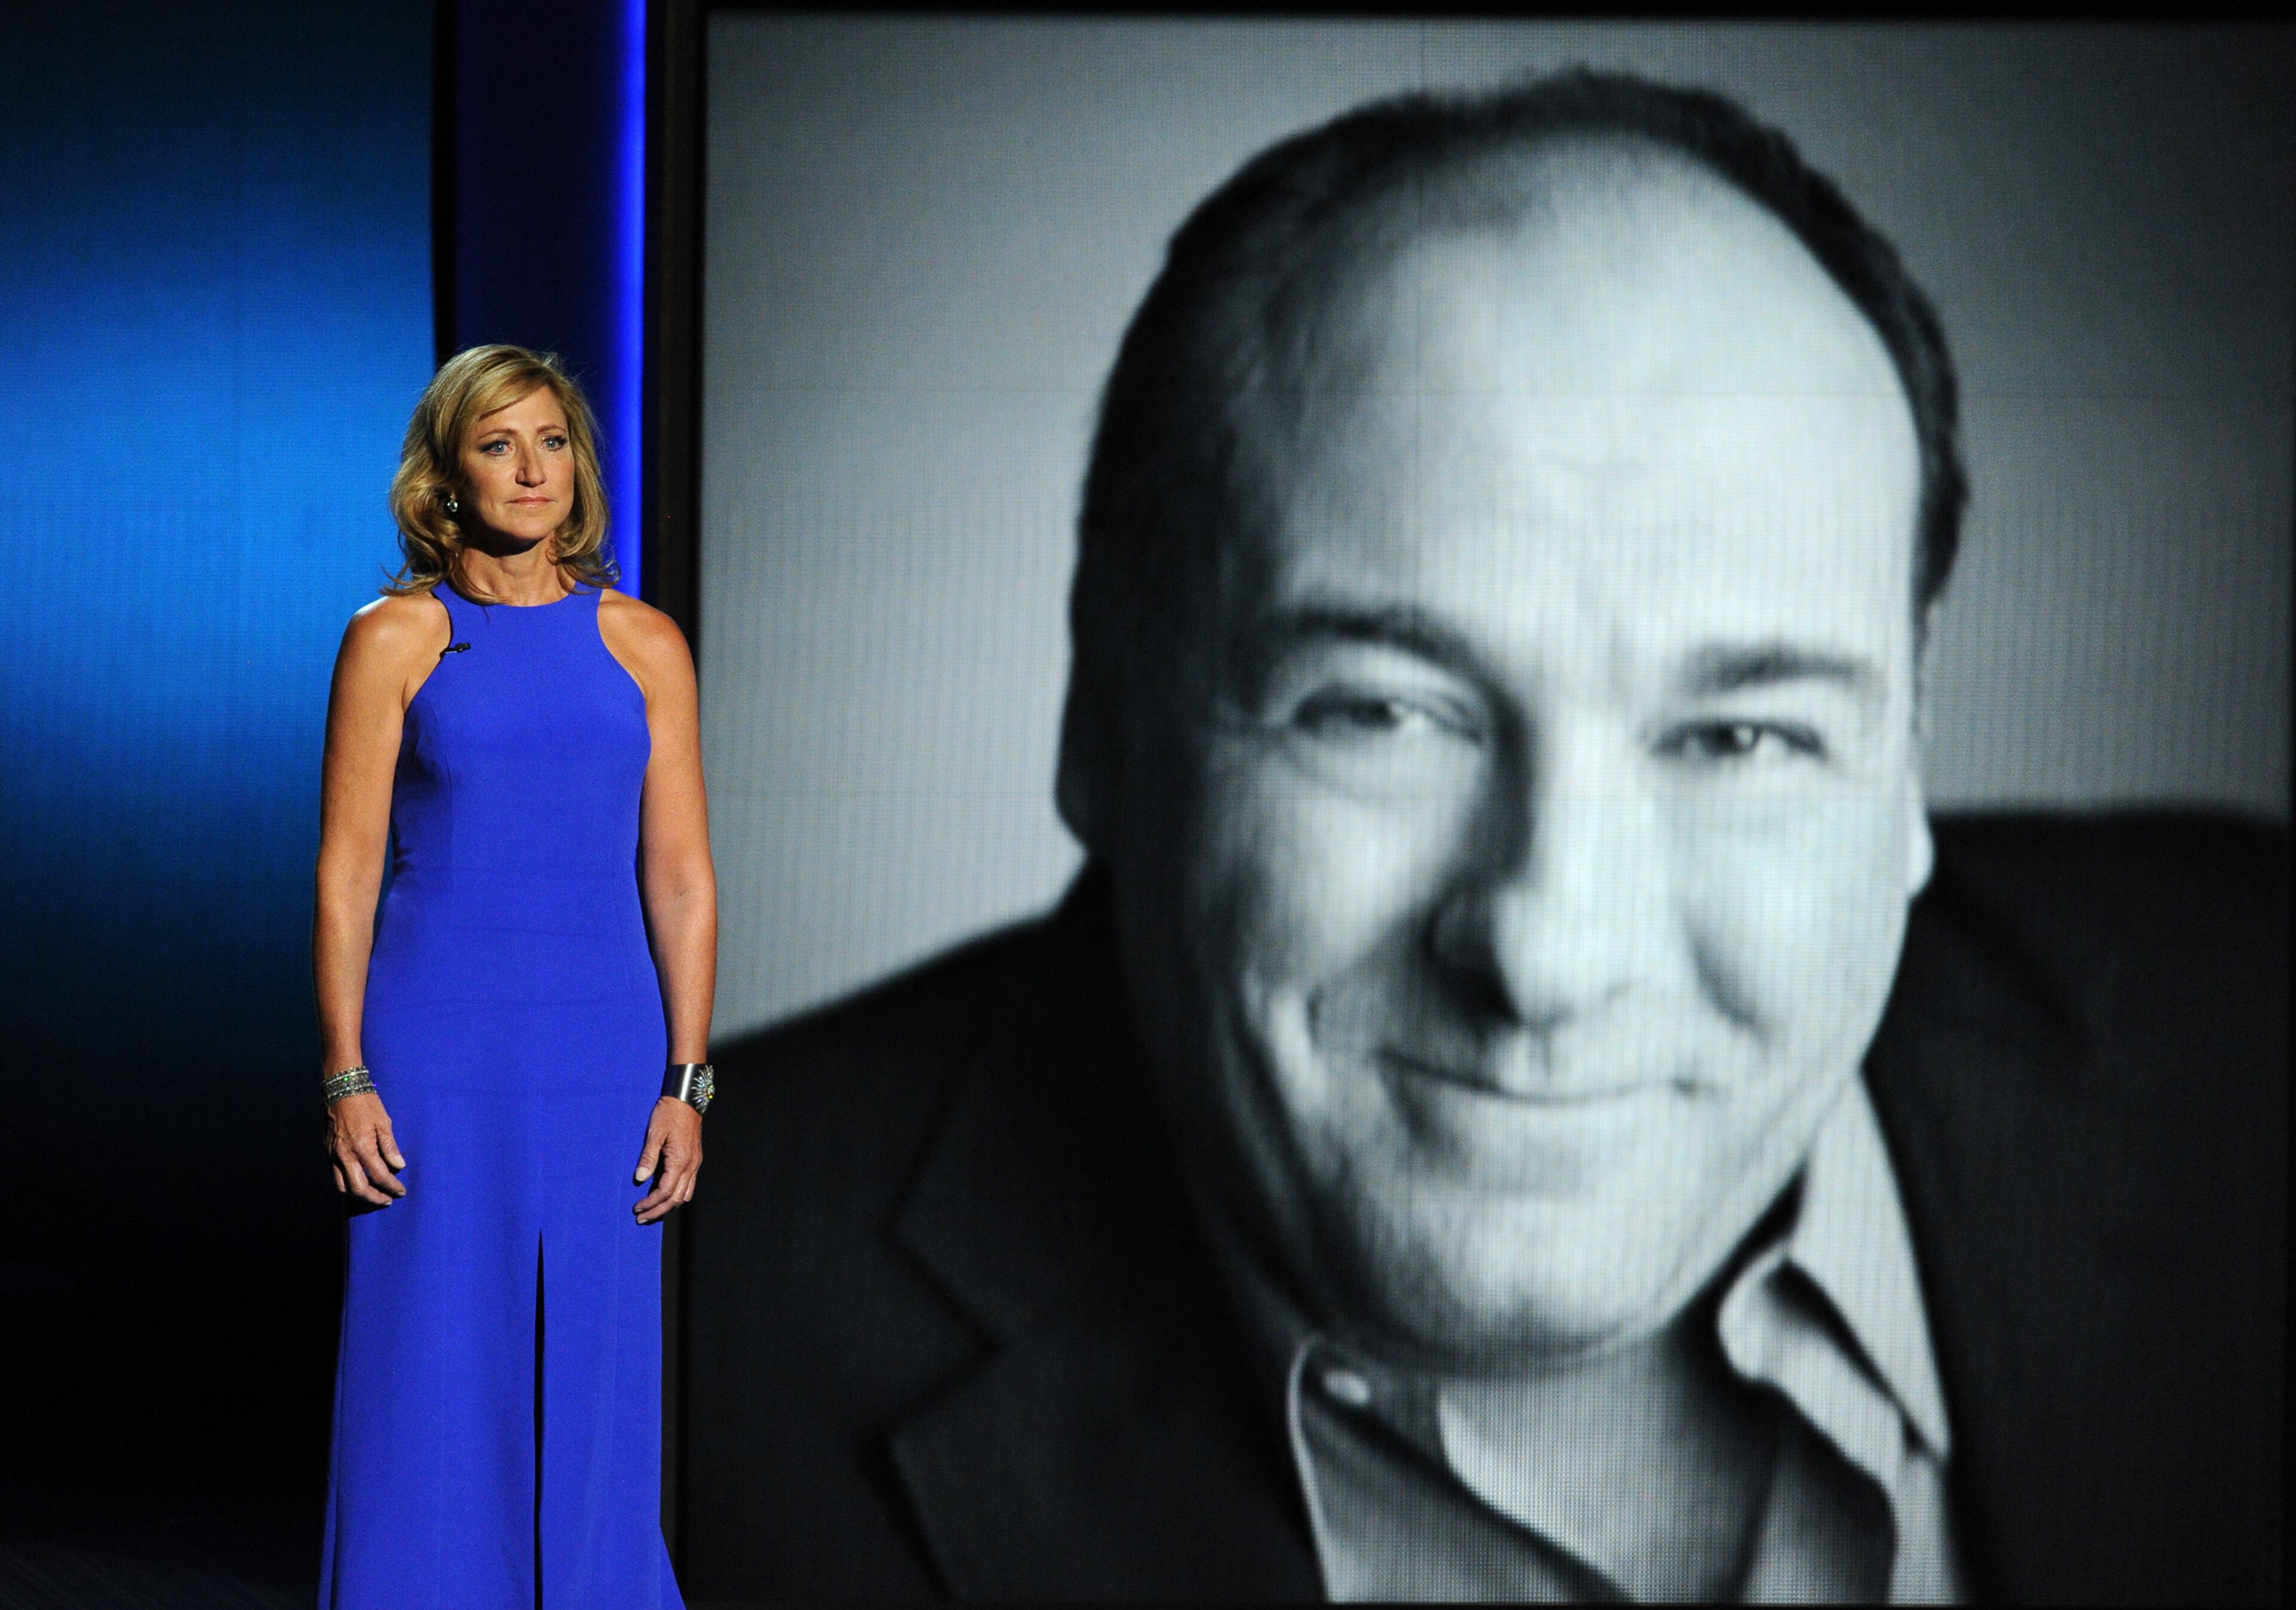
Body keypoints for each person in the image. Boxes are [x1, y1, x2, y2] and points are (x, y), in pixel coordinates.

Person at [677, 71, 2285, 1603]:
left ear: (1905, 767)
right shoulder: (623, 1333)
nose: (1546, 950)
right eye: (1381, 710)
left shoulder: (2250, 1040)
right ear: (1105, 714)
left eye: (1740, 736)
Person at [312, 345, 714, 1608]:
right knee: (424, 1372)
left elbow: (684, 878)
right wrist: (345, 1074)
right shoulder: (394, 640)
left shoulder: (643, 642)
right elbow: (346, 873)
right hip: (431, 1052)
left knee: (593, 1370)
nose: (530, 469)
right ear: (447, 472)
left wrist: (687, 1083)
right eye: (497, 444)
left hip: (602, 1055)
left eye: (550, 441)